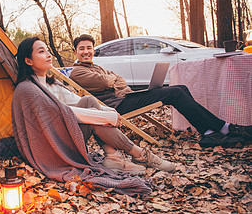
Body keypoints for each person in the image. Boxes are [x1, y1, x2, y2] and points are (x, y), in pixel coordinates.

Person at [13, 36, 175, 179]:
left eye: (48, 50)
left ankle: (113, 157)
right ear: (28, 61)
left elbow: (76, 101)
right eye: (41, 52)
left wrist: (109, 111)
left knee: (89, 101)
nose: (49, 55)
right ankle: (139, 154)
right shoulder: (28, 89)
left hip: (64, 134)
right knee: (92, 119)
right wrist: (106, 117)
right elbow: (65, 113)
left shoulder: (50, 82)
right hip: (52, 147)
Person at [70, 34, 252, 148]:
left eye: (89, 48)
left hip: (125, 97)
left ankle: (209, 133)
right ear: (76, 52)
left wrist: (113, 81)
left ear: (93, 49)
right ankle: (223, 127)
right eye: (82, 49)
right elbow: (106, 81)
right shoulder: (77, 71)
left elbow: (119, 79)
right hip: (118, 106)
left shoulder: (96, 66)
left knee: (181, 88)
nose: (86, 51)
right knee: (175, 93)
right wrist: (112, 81)